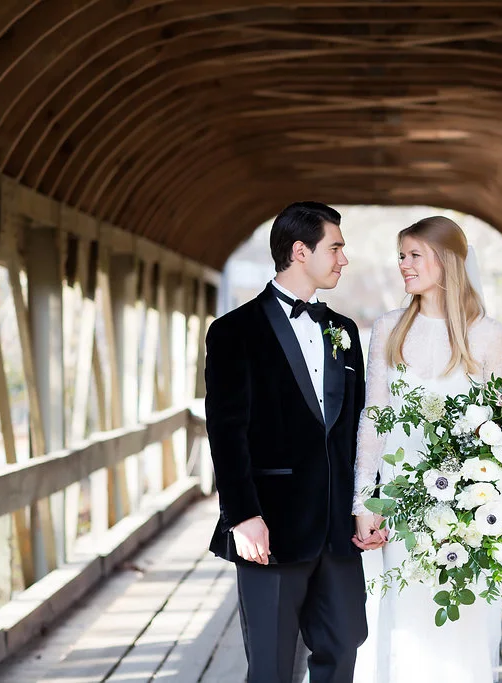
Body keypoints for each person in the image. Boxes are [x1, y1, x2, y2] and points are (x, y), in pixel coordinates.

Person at [204, 201, 385, 683]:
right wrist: (242, 516)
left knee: (344, 645)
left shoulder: (344, 330)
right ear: (301, 251)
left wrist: (365, 505)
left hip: (337, 531)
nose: (344, 259)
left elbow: (357, 428)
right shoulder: (234, 332)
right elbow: (225, 431)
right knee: (272, 666)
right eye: (336, 248)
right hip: (271, 529)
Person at [352, 215, 502, 683]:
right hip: (399, 503)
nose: (403, 264)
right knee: (401, 620)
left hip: (466, 511)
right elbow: (374, 416)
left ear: (445, 261)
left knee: (459, 629)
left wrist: (490, 502)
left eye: (414, 255)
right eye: (401, 256)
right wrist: (363, 501)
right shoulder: (388, 328)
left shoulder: (489, 335)